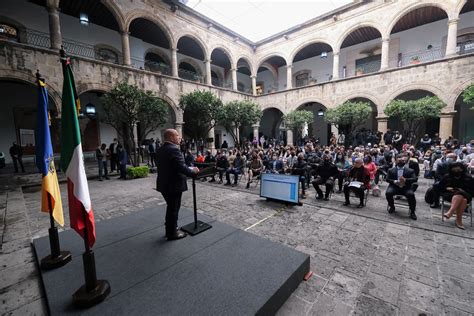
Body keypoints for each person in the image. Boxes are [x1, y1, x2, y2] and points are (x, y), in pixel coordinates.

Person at [156, 129, 199, 240]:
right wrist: (193, 172)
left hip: (164, 184)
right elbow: (181, 167)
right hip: (173, 185)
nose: (179, 137)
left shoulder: (160, 149)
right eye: (177, 135)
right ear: (170, 137)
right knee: (174, 208)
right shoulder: (173, 150)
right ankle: (172, 233)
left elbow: (171, 166)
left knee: (171, 208)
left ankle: (170, 229)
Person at [439, 162, 474, 230]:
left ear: (462, 169)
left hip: (466, 194)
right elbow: (439, 187)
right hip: (450, 195)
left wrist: (463, 190)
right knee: (463, 200)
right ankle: (459, 220)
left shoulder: (468, 178)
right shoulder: (447, 177)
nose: (456, 171)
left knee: (460, 194)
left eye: (458, 170)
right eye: (454, 170)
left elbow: (472, 190)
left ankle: (451, 212)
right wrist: (447, 188)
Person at [385, 155, 418, 220]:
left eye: (402, 160)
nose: (400, 162)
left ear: (405, 162)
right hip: (394, 186)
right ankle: (392, 206)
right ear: (396, 161)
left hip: (406, 187)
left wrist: (405, 180)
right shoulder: (391, 170)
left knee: (411, 195)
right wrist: (394, 181)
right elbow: (387, 179)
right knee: (388, 193)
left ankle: (412, 211)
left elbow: (415, 179)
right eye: (399, 160)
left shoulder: (410, 170)